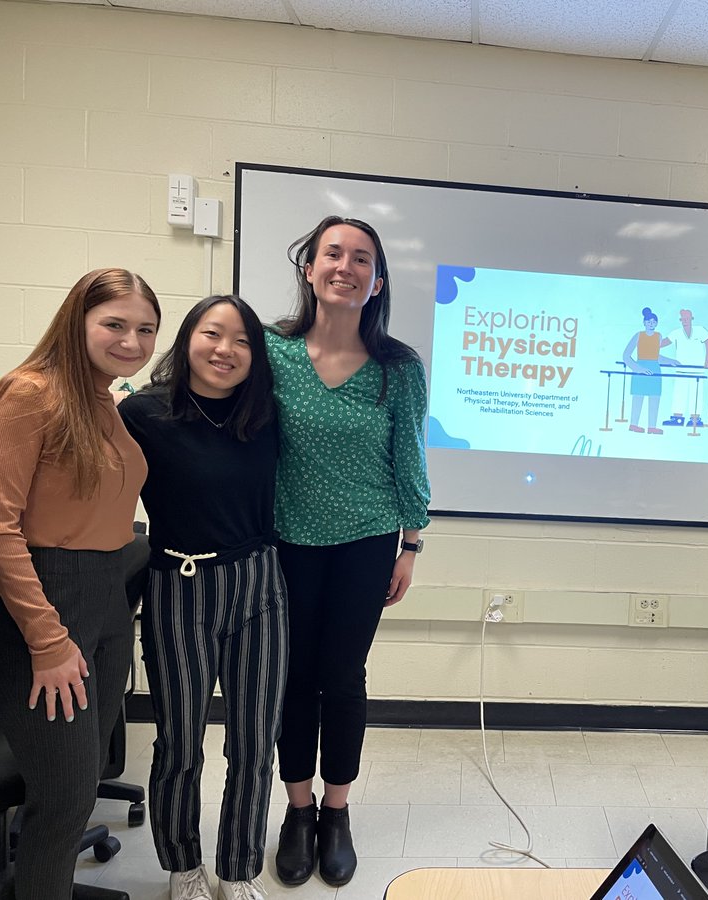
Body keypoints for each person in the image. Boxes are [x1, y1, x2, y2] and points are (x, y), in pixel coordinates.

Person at [0, 268, 160, 899]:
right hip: (42, 607)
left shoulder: (102, 399)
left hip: (102, 600)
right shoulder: (29, 393)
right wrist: (48, 642)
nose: (131, 340)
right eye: (114, 324)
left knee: (75, 790)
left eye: (145, 329)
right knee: (66, 795)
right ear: (76, 320)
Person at [267, 215, 430, 888]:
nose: (346, 265)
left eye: (361, 258)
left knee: (345, 677)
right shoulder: (270, 352)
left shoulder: (398, 368)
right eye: (333, 253)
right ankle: (297, 810)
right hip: (284, 543)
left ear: (376, 280)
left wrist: (411, 544)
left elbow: (410, 459)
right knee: (293, 679)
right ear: (309, 268)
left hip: (367, 543)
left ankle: (336, 811)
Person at [118, 295, 285, 900]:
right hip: (177, 589)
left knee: (253, 743)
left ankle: (238, 870)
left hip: (259, 588)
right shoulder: (141, 414)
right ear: (187, 338)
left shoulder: (267, 415)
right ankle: (183, 867)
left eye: (242, 341)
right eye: (213, 334)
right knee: (180, 742)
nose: (226, 350)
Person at [622, 306, 678, 434]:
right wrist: (638, 368)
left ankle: (652, 426)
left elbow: (655, 356)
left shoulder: (658, 336)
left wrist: (670, 361)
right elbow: (626, 355)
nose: (651, 324)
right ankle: (634, 424)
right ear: (644, 323)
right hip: (640, 368)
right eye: (649, 322)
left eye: (654, 322)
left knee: (654, 397)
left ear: (657, 323)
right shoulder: (638, 335)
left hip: (654, 369)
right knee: (638, 397)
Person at [660, 308, 708, 427]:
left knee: (696, 394)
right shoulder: (676, 333)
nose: (685, 321)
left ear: (691, 319)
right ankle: (677, 418)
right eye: (682, 319)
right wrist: (650, 342)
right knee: (679, 393)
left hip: (697, 370)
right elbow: (663, 343)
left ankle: (695, 419)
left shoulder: (700, 331)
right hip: (681, 369)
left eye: (687, 319)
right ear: (680, 320)